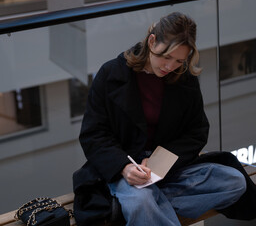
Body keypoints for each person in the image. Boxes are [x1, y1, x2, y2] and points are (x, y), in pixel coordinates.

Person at [73, 12, 248, 226]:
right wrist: (124, 168)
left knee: (234, 182)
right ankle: (139, 205)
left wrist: (161, 162)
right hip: (126, 169)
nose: (170, 66)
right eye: (166, 57)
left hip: (168, 169)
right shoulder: (111, 74)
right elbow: (93, 134)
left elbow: (197, 131)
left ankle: (136, 207)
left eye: (179, 60)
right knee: (141, 201)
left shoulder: (184, 78)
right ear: (152, 41)